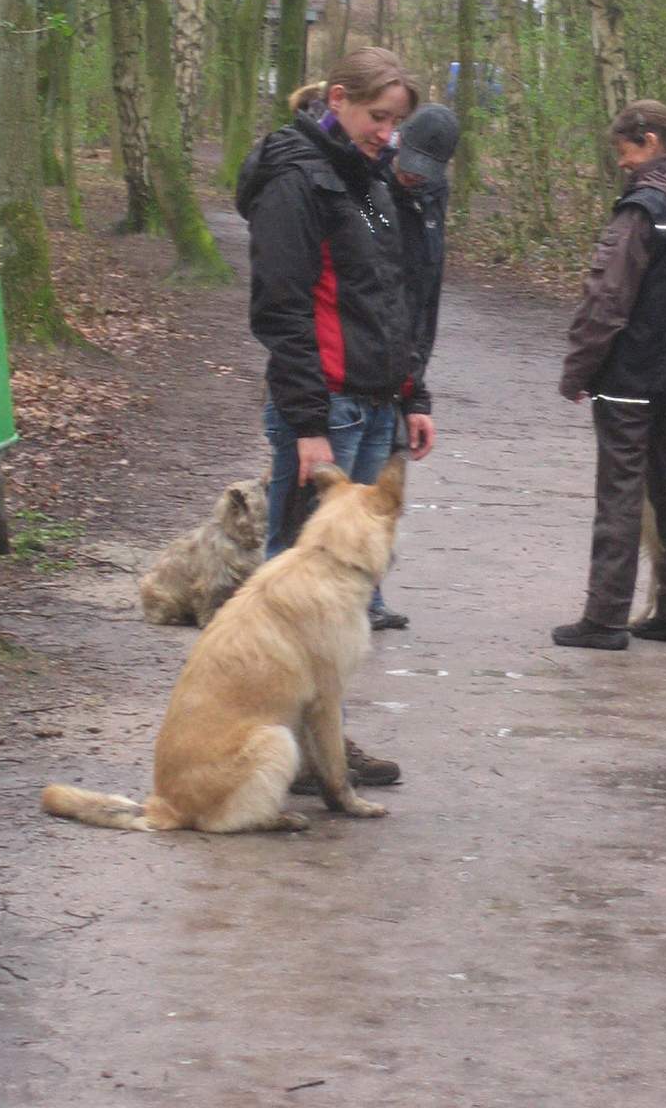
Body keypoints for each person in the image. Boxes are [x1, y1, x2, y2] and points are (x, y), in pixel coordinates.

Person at [235, 46, 434, 786]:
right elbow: (282, 311)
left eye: (396, 122)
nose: (388, 133)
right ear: (339, 99)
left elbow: (389, 295)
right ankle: (279, 739)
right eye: (378, 117)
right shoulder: (296, 179)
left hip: (376, 403)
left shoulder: (368, 177)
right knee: (294, 585)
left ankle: (322, 743)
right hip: (326, 409)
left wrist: (413, 395)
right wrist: (308, 425)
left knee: (342, 601)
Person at [552, 100, 666, 650]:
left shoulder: (644, 208)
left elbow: (607, 297)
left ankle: (605, 618)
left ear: (650, 141)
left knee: (620, 494)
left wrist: (579, 368)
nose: (622, 162)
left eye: (624, 150)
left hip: (630, 377)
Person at [369, 102, 461, 631]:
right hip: (361, 363)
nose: (412, 176)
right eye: (408, 163)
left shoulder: (432, 198)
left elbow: (425, 299)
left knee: (385, 486)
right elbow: (374, 284)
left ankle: (370, 593)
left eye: (425, 170)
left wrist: (416, 394)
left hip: (400, 369)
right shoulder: (368, 189)